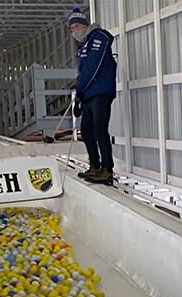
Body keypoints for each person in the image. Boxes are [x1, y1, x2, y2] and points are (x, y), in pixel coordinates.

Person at [68, 8, 117, 185]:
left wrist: (79, 90)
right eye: (72, 28)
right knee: (87, 131)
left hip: (100, 92)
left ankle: (107, 169)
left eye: (77, 26)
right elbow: (82, 72)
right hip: (88, 94)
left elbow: (92, 68)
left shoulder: (98, 37)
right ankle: (95, 165)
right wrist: (80, 96)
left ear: (85, 25)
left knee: (99, 129)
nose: (75, 30)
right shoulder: (84, 45)